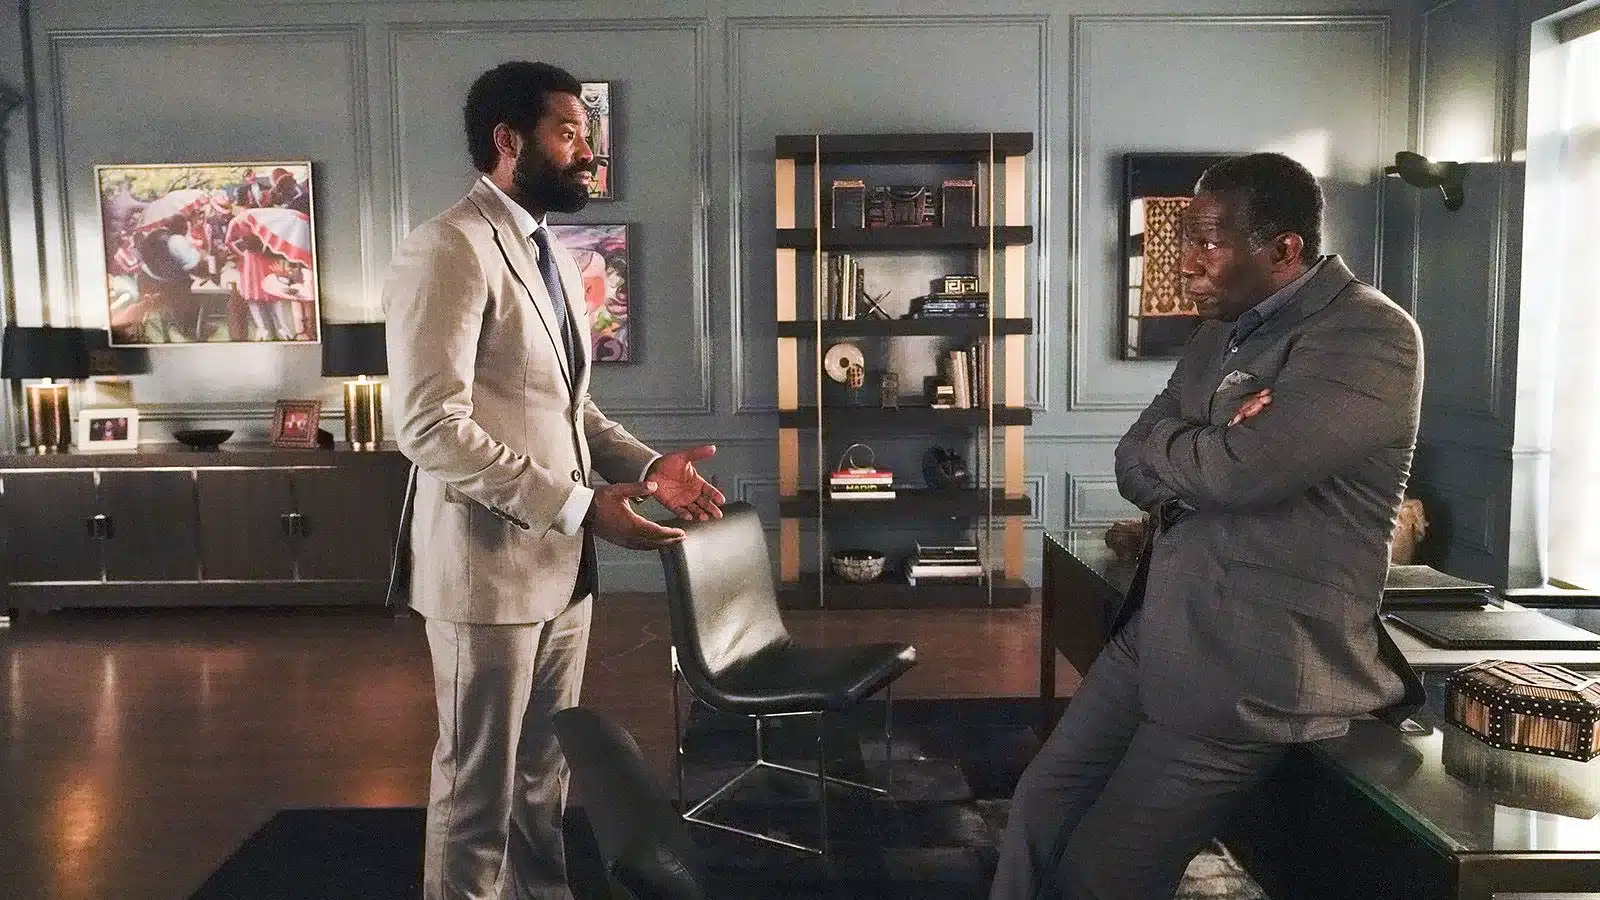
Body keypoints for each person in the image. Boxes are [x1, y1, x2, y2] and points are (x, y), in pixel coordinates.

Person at [991, 152, 1425, 900]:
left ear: (1284, 249)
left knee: (1103, 873)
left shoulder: (1368, 334)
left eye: (1208, 243)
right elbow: (1131, 459)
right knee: (1038, 804)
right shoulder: (1218, 333)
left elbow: (1241, 474)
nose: (1186, 262)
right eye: (1185, 241)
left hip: (1251, 665)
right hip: (1157, 630)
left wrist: (1206, 449)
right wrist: (1216, 436)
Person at [382, 60, 725, 900]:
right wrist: (581, 506)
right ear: (509, 141)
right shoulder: (448, 247)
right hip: (485, 574)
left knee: (542, 776)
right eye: (569, 133)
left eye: (587, 136)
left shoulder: (554, 255)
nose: (587, 153)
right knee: (476, 792)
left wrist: (648, 467)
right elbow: (428, 426)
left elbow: (573, 410)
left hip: (563, 569)